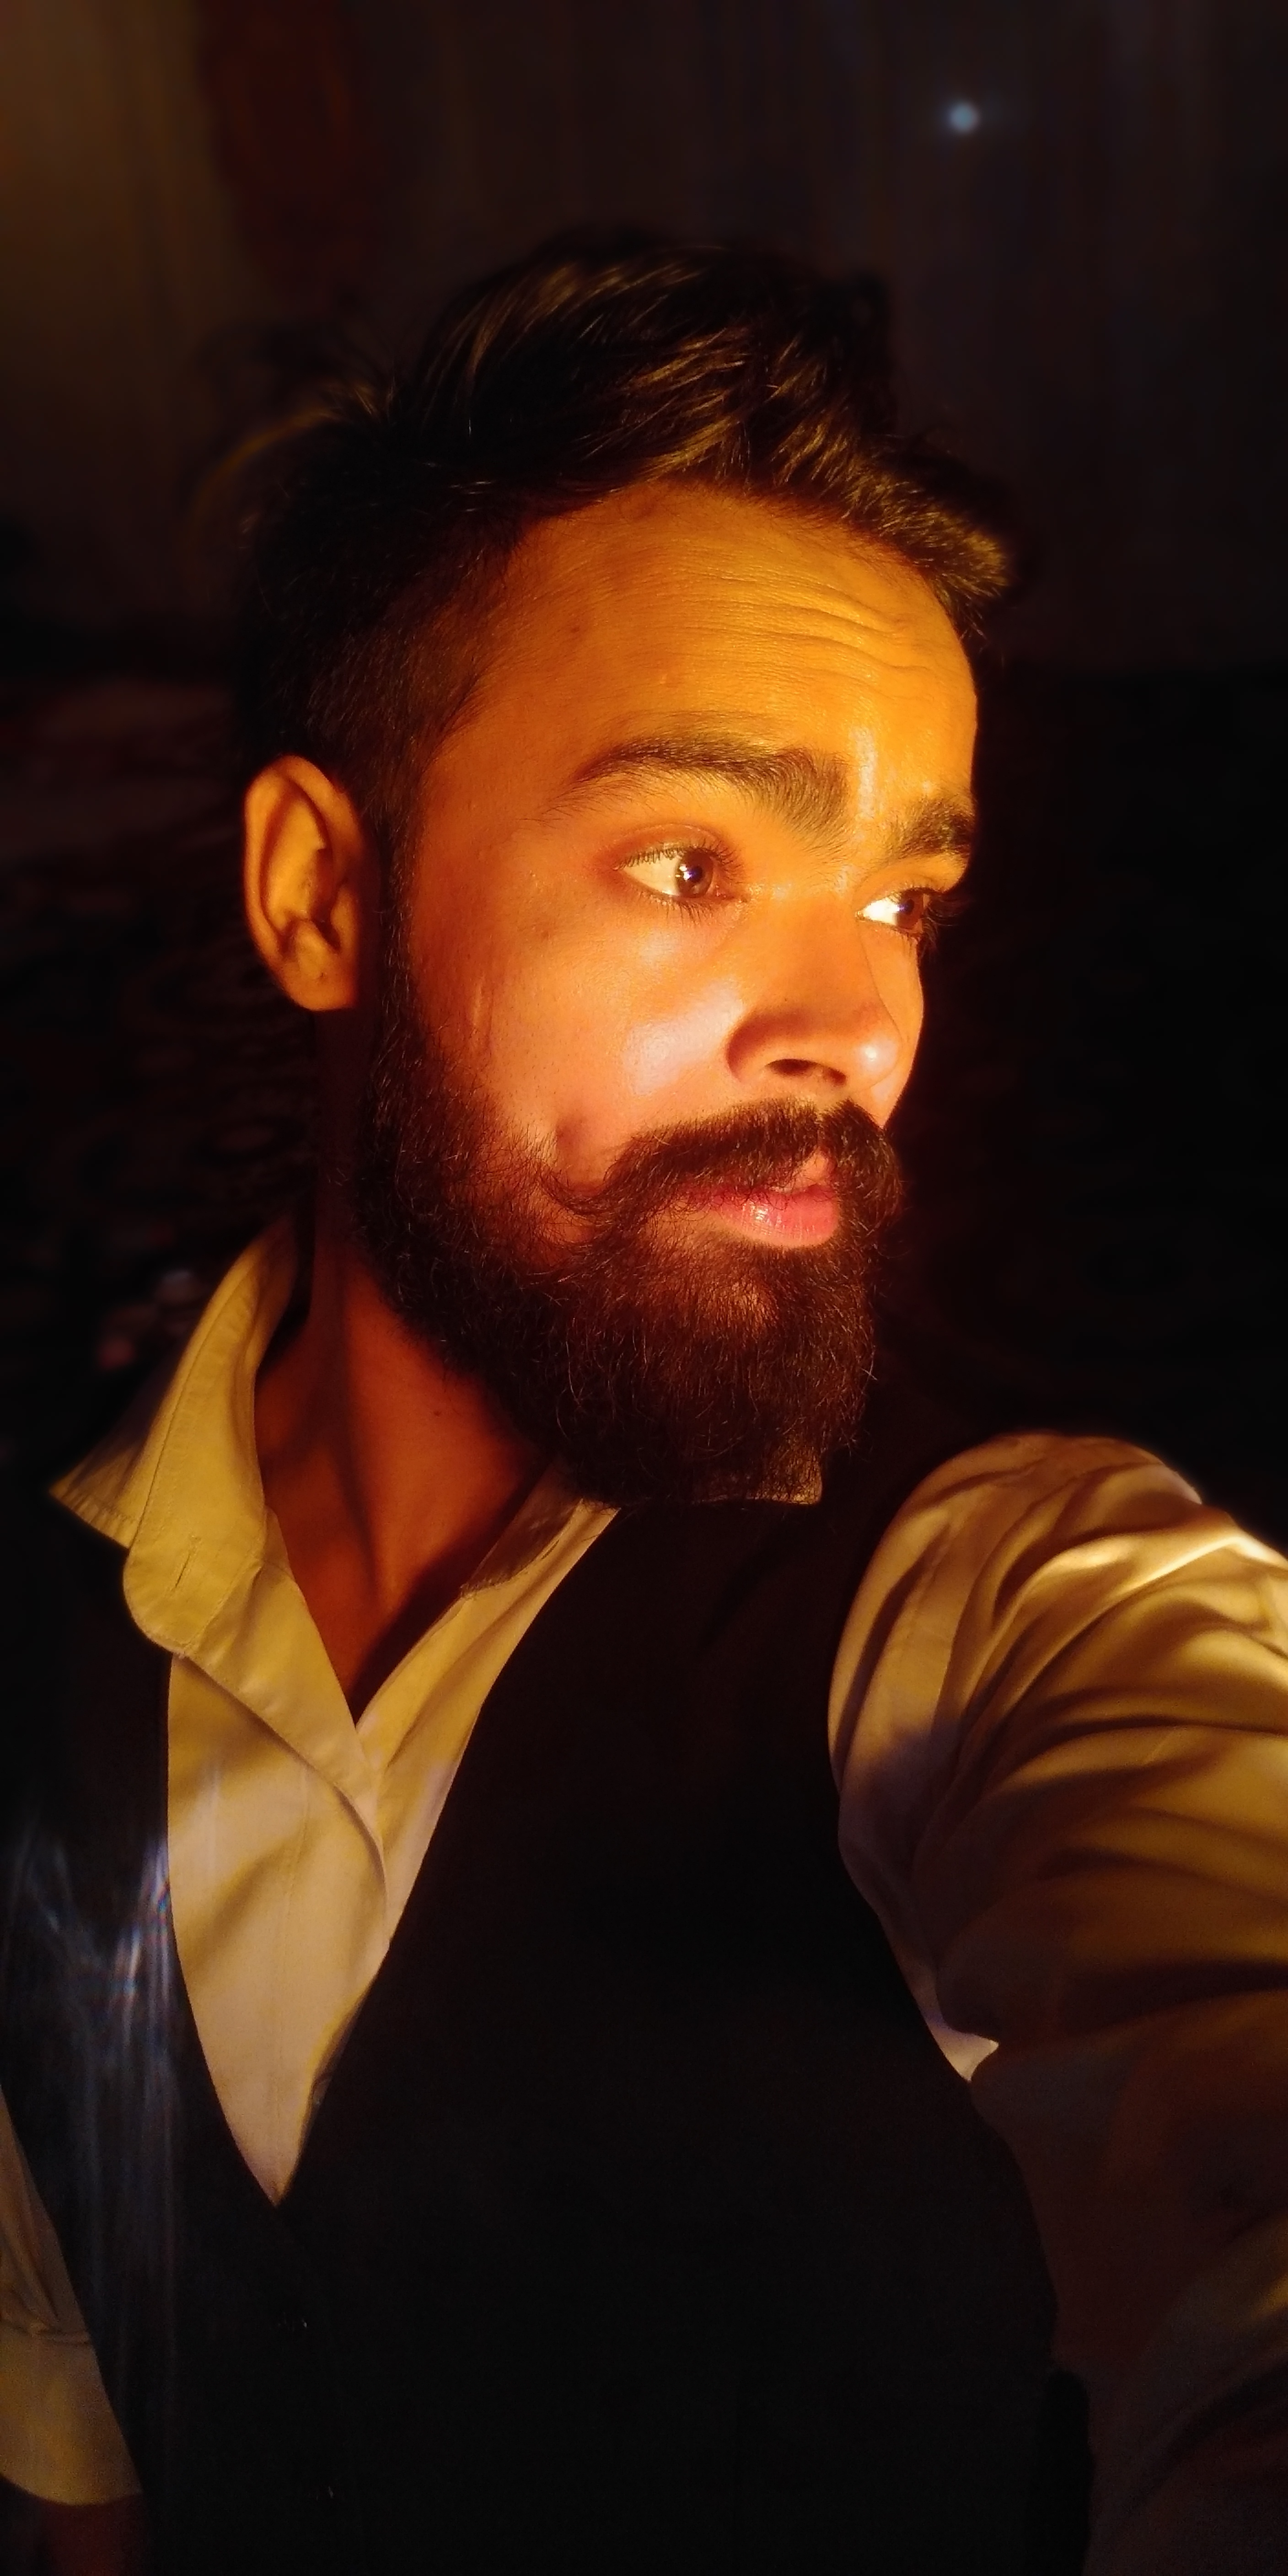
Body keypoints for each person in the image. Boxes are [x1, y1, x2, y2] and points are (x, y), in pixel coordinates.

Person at [2, 232, 1288, 2576]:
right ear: (320, 894)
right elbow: (75, 2413)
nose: (858, 1034)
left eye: (901, 900)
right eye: (691, 862)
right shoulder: (33, 1642)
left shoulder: (1000, 1600)